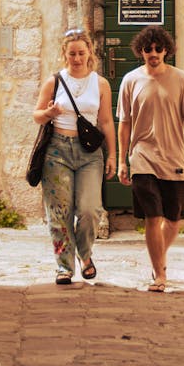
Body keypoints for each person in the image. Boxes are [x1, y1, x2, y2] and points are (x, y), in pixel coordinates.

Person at [116, 25, 184, 292]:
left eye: (158, 48)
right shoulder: (130, 81)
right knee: (152, 217)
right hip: (142, 156)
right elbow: (124, 124)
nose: (153, 53)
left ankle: (157, 257)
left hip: (174, 157)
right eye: (147, 49)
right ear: (140, 51)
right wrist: (122, 161)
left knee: (174, 220)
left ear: (166, 49)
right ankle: (160, 275)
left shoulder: (182, 80)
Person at [33, 29, 116, 284]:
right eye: (72, 54)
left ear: (89, 52)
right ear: (64, 54)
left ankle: (84, 254)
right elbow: (37, 115)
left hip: (89, 153)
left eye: (81, 53)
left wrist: (113, 155)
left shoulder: (100, 83)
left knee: (90, 210)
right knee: (60, 212)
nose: (77, 58)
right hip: (57, 150)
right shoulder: (54, 81)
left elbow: (105, 121)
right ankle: (64, 267)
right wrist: (50, 112)